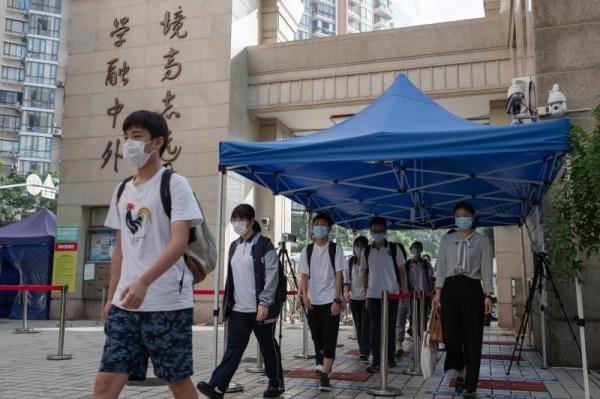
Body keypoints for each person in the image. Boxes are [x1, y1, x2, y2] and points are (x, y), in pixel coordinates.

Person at [93, 110, 203, 399]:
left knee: (178, 381)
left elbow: (179, 242)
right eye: (126, 137)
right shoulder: (121, 190)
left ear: (157, 143)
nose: (129, 143)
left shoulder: (174, 184)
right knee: (105, 385)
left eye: (137, 137)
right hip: (125, 307)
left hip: (167, 302)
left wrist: (144, 281)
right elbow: (120, 248)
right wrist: (112, 295)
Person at [197, 204, 285, 399]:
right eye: (234, 219)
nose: (237, 223)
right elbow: (232, 279)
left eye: (241, 219)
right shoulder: (234, 246)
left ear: (251, 221)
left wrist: (265, 303)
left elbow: (272, 275)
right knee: (233, 349)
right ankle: (217, 386)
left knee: (268, 346)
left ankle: (276, 384)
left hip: (261, 308)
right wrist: (227, 303)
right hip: (239, 309)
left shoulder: (264, 244)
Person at [431, 201, 494, 399]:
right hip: (450, 289)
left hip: (472, 288)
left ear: (472, 217)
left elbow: (485, 268)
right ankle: (461, 369)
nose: (461, 218)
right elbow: (440, 267)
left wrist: (488, 295)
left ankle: (471, 385)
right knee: (450, 338)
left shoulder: (482, 241)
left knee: (473, 338)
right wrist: (437, 293)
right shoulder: (446, 240)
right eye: (457, 215)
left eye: (465, 214)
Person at [298, 213, 347, 391]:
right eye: (317, 224)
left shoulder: (336, 249)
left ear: (329, 228)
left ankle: (325, 376)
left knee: (330, 337)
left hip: (330, 300)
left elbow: (339, 275)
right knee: (317, 336)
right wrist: (304, 296)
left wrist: (337, 299)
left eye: (323, 224)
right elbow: (304, 275)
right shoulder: (307, 250)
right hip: (313, 300)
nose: (319, 227)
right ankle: (321, 361)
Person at [363, 216, 408, 373]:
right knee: (375, 328)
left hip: (392, 295)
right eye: (374, 231)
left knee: (389, 327)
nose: (377, 234)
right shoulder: (367, 250)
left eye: (380, 231)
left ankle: (390, 357)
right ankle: (376, 360)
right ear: (370, 231)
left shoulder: (395, 248)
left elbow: (402, 271)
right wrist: (366, 294)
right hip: (373, 295)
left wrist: (404, 292)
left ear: (386, 232)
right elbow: (365, 273)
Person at [343, 236, 370, 361]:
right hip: (354, 299)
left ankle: (366, 350)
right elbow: (346, 280)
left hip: (367, 298)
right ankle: (363, 349)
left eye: (361, 246)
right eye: (356, 246)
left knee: (365, 324)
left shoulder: (369, 262)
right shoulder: (349, 262)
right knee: (358, 325)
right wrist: (346, 293)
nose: (358, 248)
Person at [405, 241, 434, 341]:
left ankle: (423, 335)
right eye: (414, 248)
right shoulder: (408, 263)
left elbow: (430, 277)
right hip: (412, 294)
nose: (416, 250)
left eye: (418, 248)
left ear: (421, 250)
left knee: (423, 315)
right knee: (412, 314)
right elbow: (405, 278)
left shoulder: (426, 263)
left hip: (424, 294)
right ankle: (414, 333)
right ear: (411, 250)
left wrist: (431, 291)